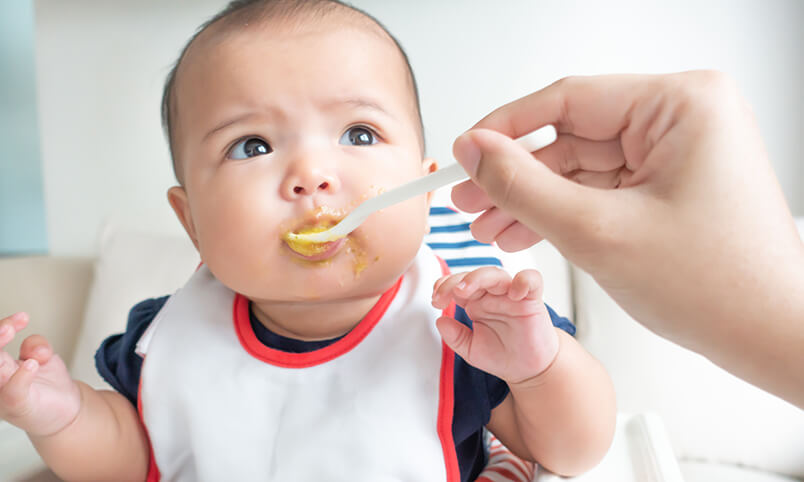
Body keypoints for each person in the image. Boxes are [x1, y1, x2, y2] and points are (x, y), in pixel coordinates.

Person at [0, 1, 616, 480]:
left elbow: (572, 451)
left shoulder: (464, 329)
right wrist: (62, 416)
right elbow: (138, 456)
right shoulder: (165, 341)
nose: (313, 176)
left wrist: (538, 369)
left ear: (425, 194)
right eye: (253, 146)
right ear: (192, 223)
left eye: (358, 133)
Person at [449, 71, 804, 409]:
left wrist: (533, 373)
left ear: (427, 176)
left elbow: (573, 454)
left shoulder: (466, 310)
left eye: (388, 134)